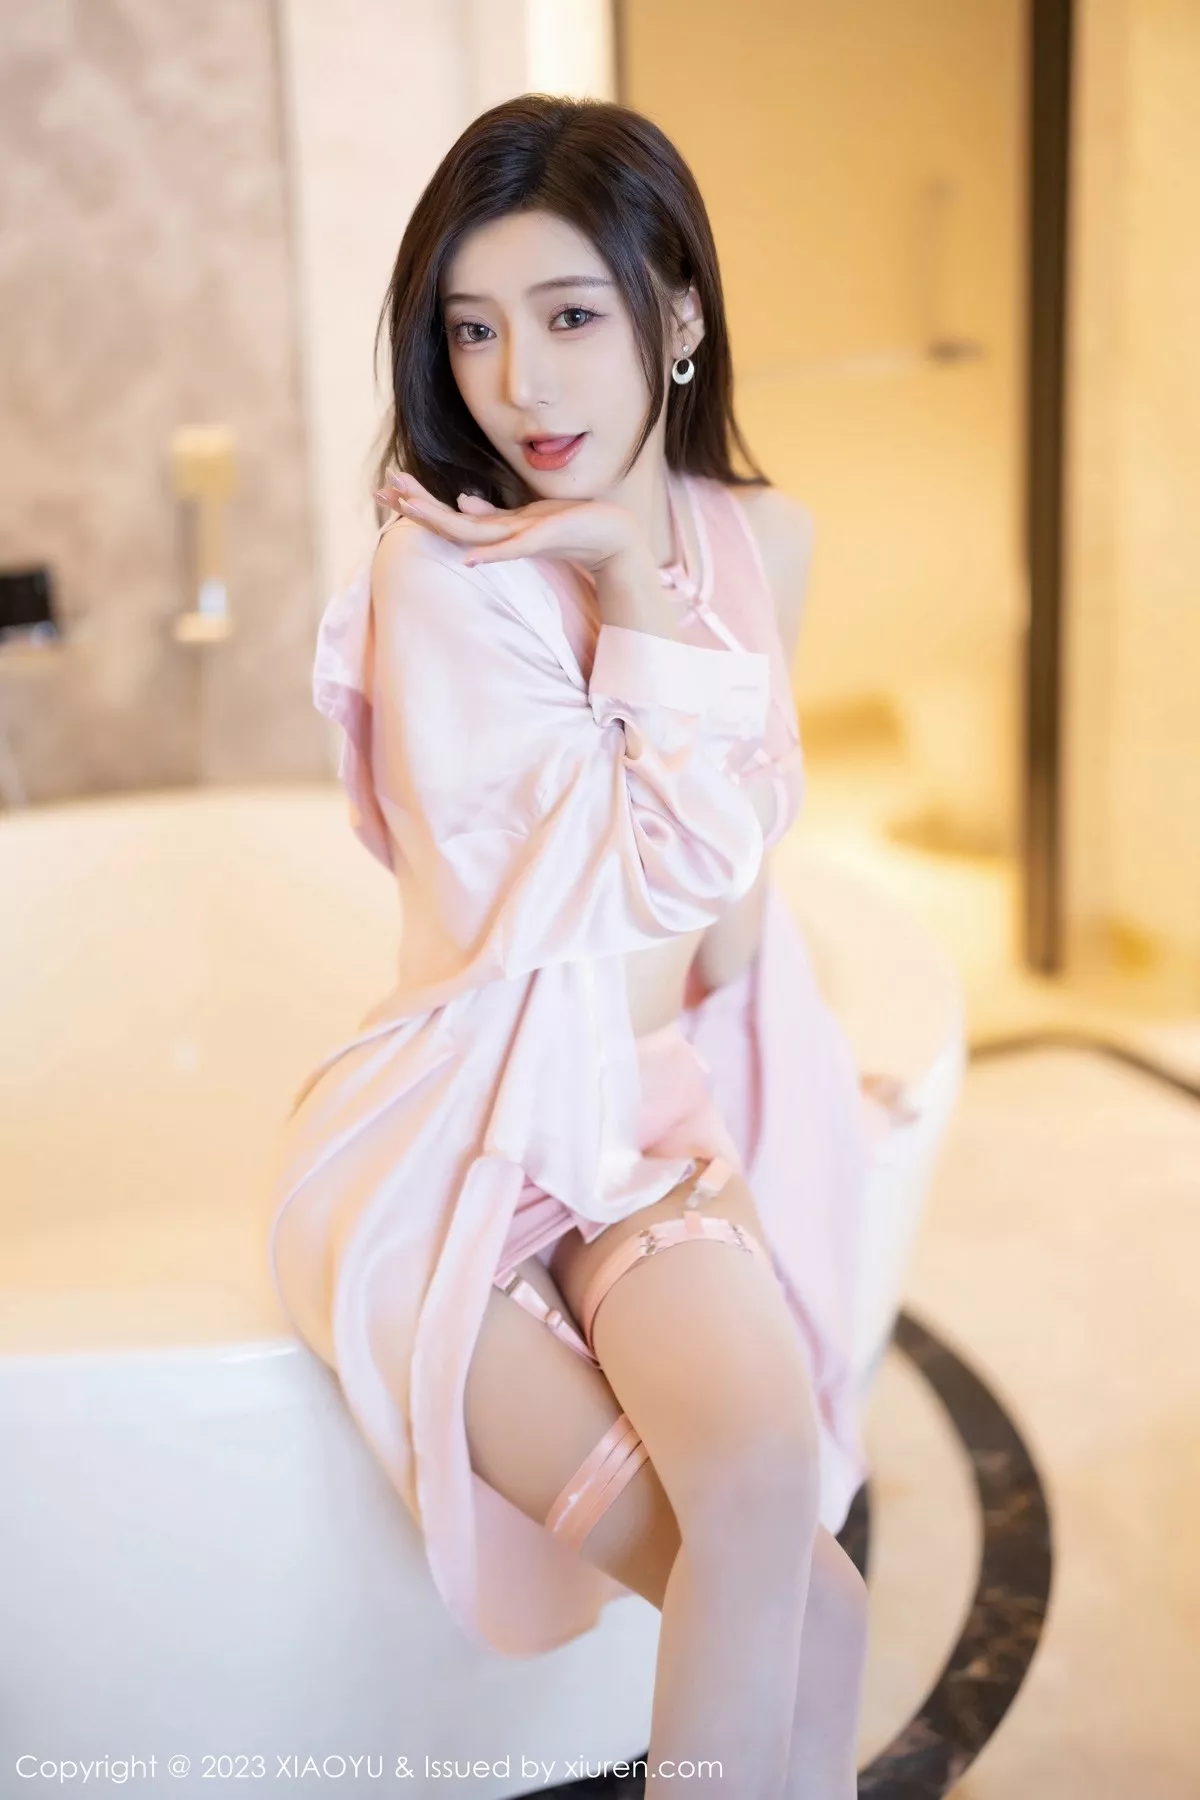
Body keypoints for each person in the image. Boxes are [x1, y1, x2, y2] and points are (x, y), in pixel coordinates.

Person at [268, 95, 880, 1797]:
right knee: (787, 1589)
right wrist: (617, 578)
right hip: (451, 1147)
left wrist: (804, 1076)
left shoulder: (757, 540)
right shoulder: (442, 576)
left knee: (809, 1577)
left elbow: (728, 905)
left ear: (673, 315)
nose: (520, 386)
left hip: (636, 1131)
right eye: (473, 330)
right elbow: (642, 863)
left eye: (568, 316)